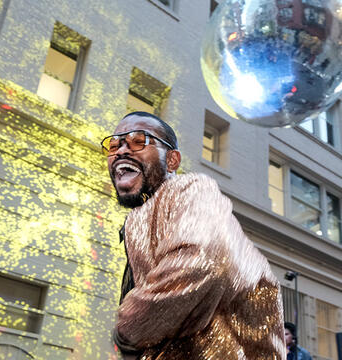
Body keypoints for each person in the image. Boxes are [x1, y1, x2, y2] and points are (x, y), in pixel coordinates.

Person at [102, 111, 286, 359]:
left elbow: (202, 262)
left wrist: (125, 332)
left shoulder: (191, 189)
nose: (121, 150)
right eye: (114, 144)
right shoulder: (141, 219)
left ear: (172, 161)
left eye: (138, 141)